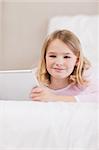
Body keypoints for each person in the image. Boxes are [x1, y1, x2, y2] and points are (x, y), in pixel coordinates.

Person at [30, 29, 98, 102]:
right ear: (44, 57)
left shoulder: (86, 78)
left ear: (77, 60)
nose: (59, 63)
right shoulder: (33, 78)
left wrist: (54, 98)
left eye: (66, 57)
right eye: (52, 56)